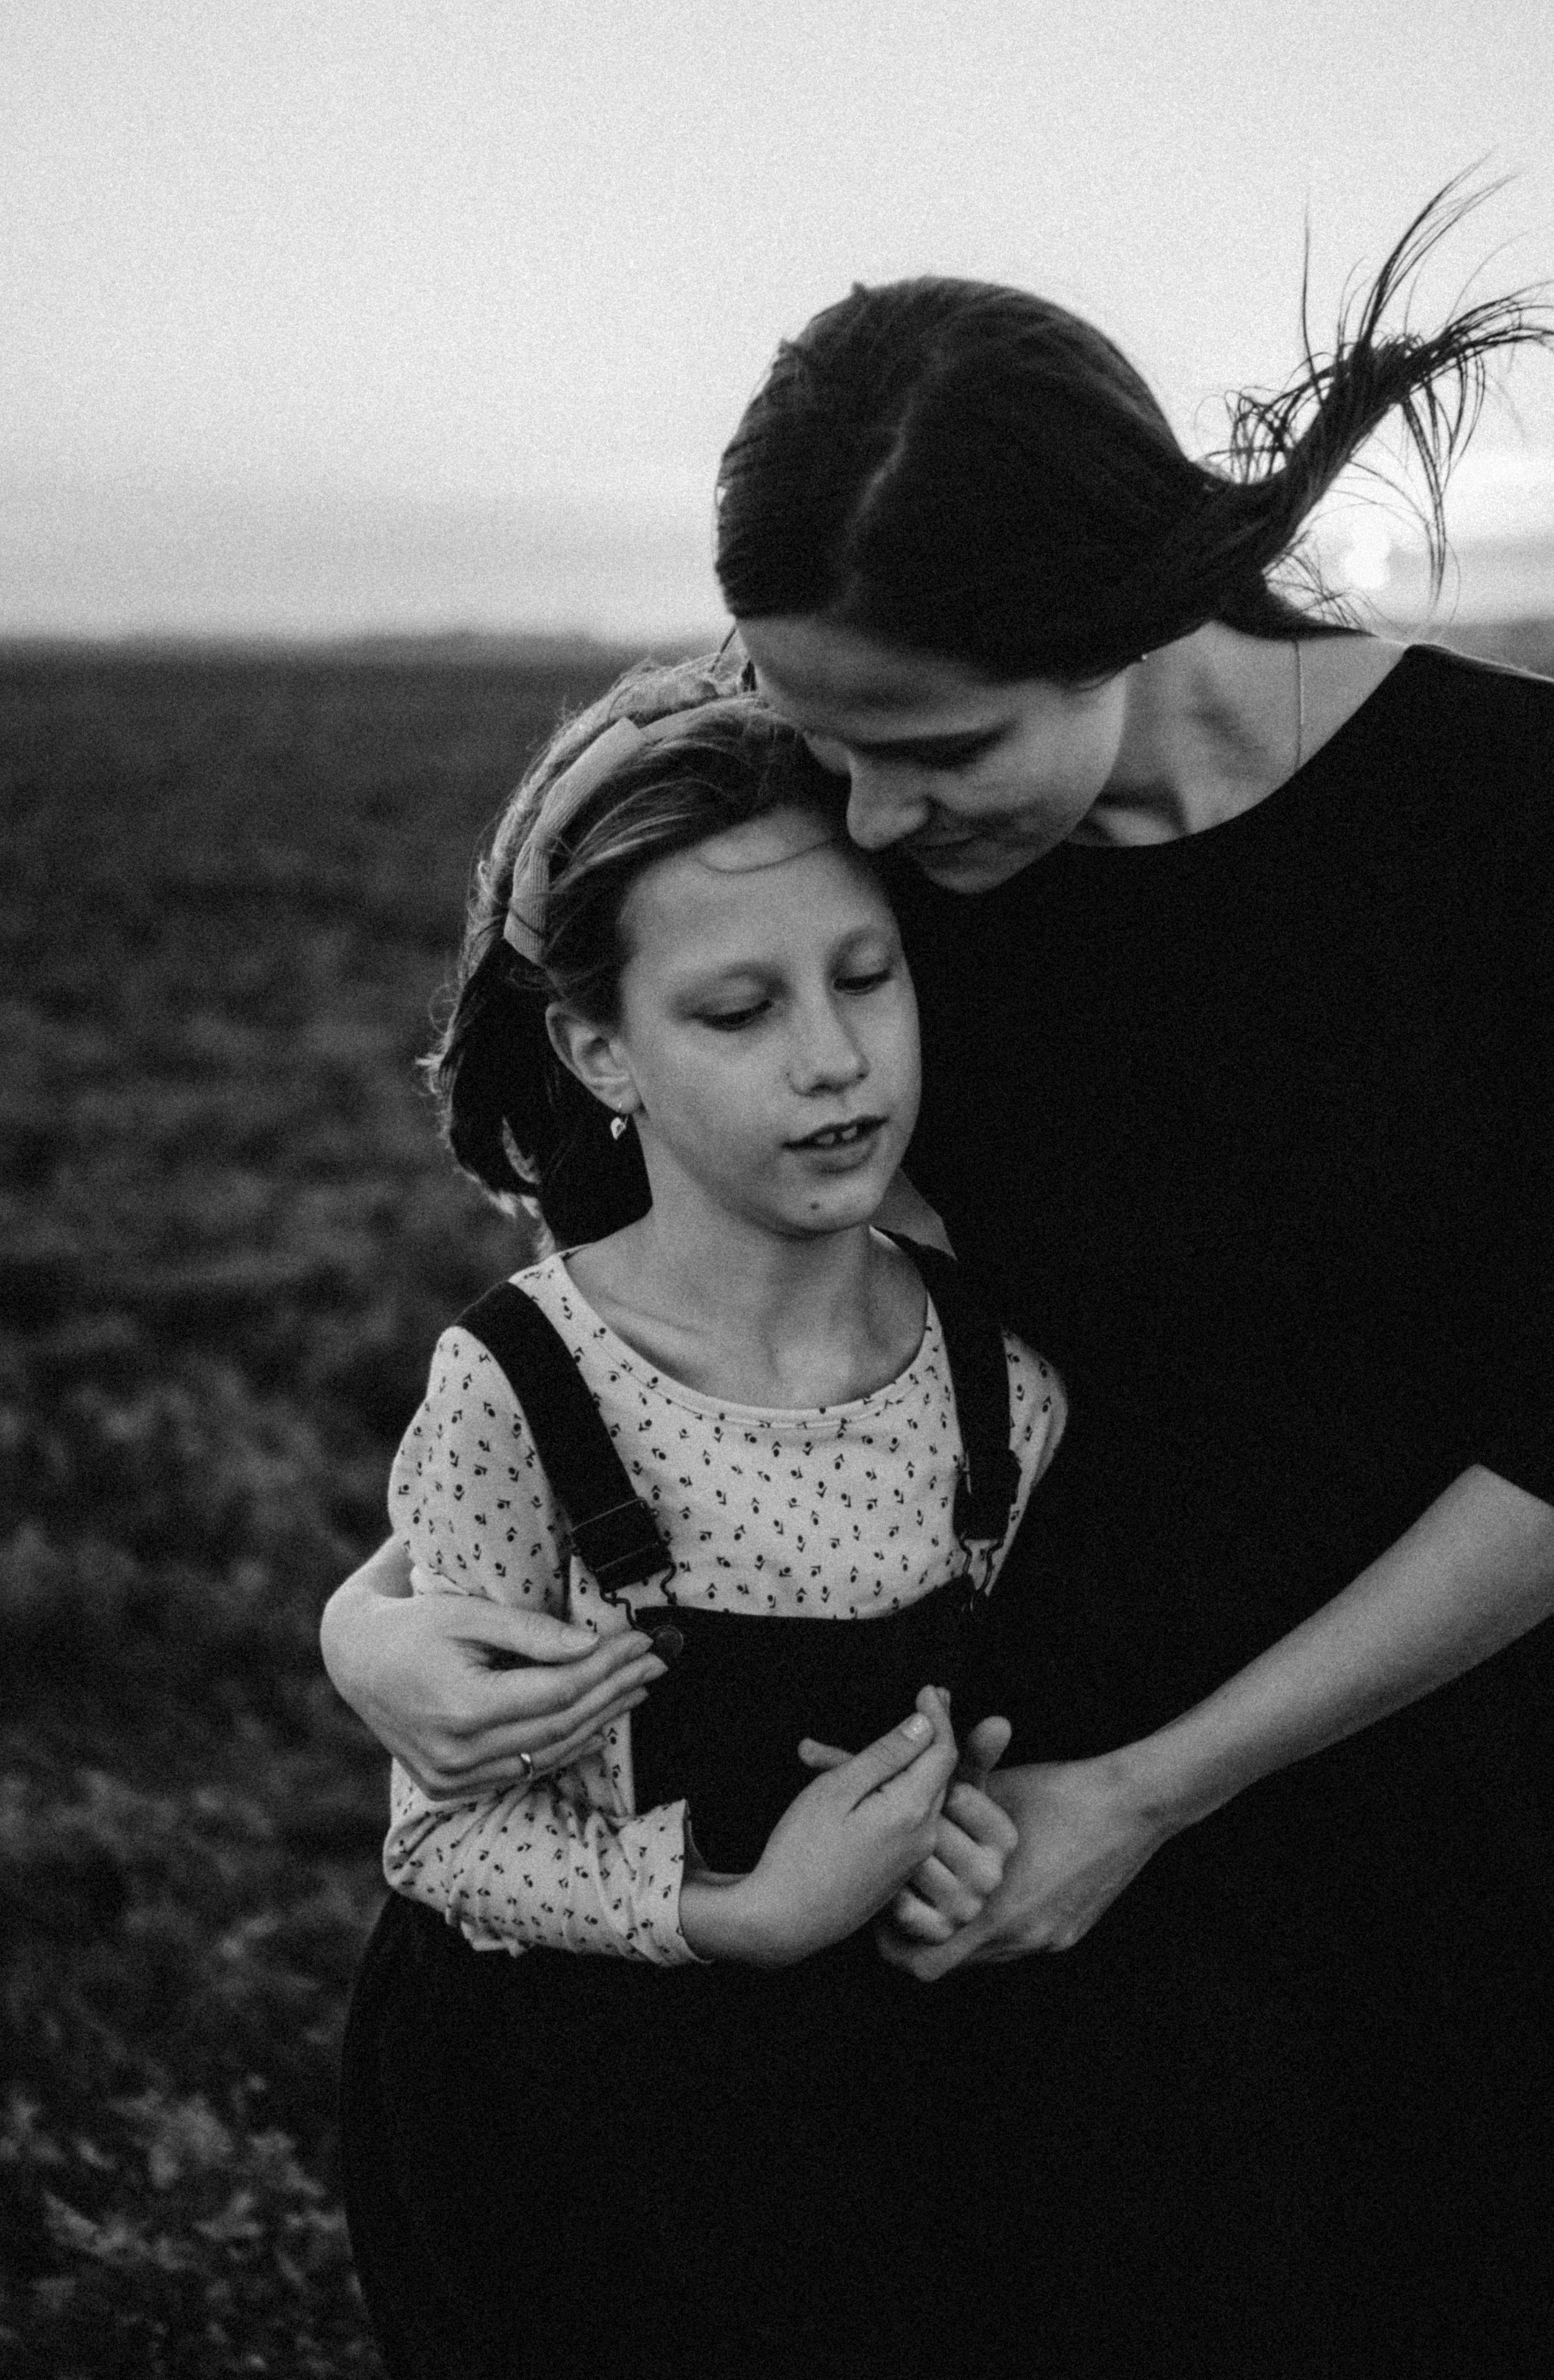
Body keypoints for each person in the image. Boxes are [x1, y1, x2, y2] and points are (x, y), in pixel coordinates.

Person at [325, 185, 1554, 2373]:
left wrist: (1163, 1786)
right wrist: (376, 1623)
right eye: (835, 747)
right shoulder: (899, 875)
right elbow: (648, 1309)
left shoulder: (1512, 833)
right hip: (996, 1844)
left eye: (939, 750)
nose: (872, 820)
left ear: (1131, 610)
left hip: (1443, 1808)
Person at [336, 659, 1065, 2380]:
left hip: (856, 2133)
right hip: (545, 2136)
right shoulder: (522, 1384)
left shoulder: (1002, 1389)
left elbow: (966, 1739)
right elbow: (436, 1840)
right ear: (601, 1048)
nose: (832, 1062)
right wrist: (743, 1911)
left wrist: (957, 1840)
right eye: (738, 1013)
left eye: (867, 980)